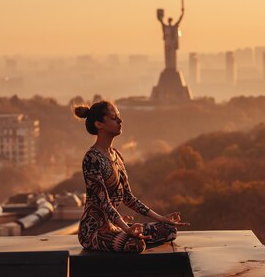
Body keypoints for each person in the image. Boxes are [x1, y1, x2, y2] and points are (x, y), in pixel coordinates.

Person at [75, 100, 188, 252]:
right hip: (94, 231)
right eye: (114, 118)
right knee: (135, 244)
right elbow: (104, 203)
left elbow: (129, 198)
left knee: (169, 230)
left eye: (119, 116)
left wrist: (162, 218)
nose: (120, 121)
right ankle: (126, 235)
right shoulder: (92, 158)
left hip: (116, 227)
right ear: (99, 124)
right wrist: (126, 229)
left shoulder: (117, 156)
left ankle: (127, 233)